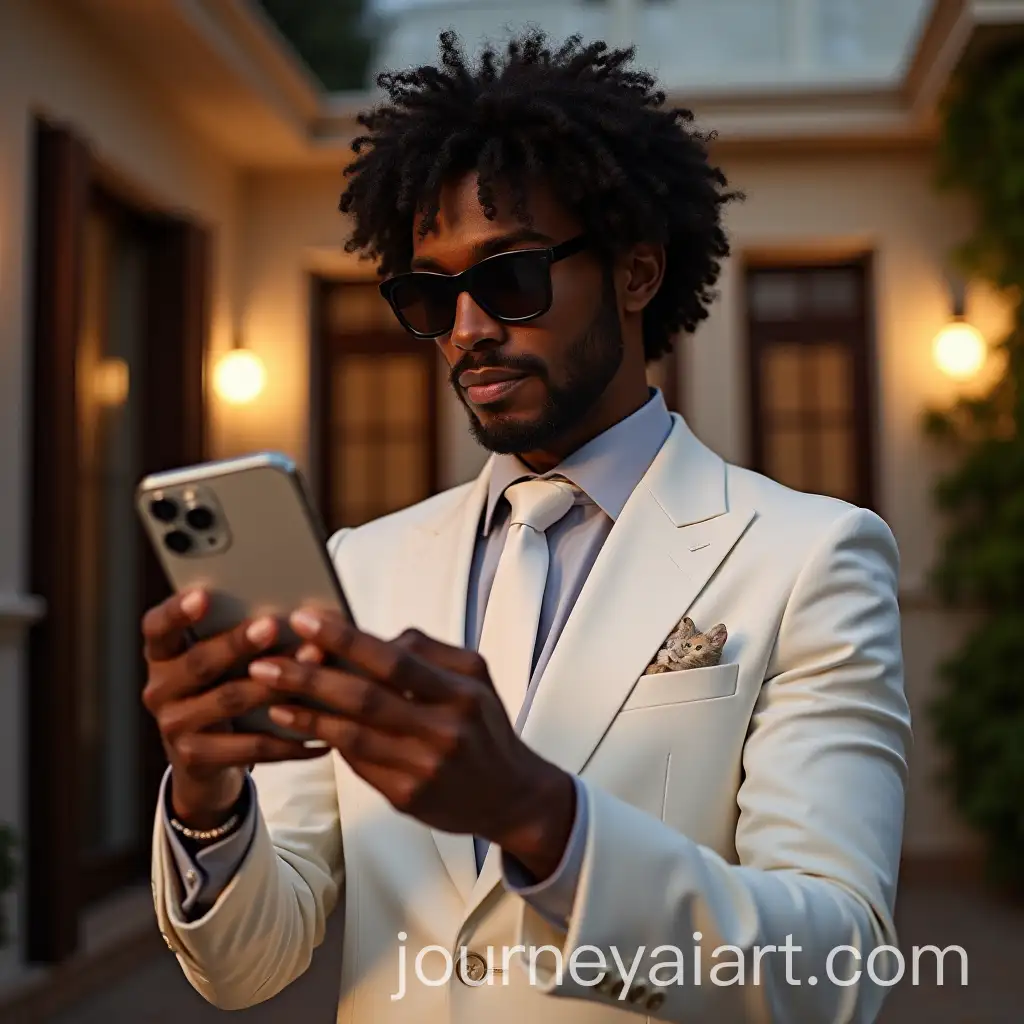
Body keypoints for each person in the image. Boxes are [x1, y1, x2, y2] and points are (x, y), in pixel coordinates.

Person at [144, 29, 911, 1023]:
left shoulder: (808, 556)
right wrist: (207, 801)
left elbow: (836, 972)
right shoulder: (361, 568)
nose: (466, 330)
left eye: (508, 278)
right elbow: (252, 962)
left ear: (637, 274)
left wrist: (541, 819)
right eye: (428, 294)